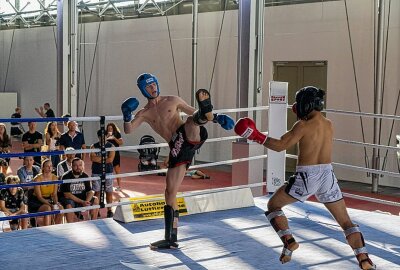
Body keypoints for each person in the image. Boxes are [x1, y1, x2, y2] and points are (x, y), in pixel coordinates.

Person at [234, 86, 376, 270]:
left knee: (273, 206)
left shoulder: (303, 125)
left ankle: (289, 240)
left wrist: (255, 136)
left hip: (307, 176)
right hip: (328, 176)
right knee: (346, 222)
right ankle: (364, 258)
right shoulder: (329, 124)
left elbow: (280, 146)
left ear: (306, 104)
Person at [121, 73, 234, 249]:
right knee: (169, 193)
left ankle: (207, 112)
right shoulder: (144, 113)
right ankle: (171, 237)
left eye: (154, 84)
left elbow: (191, 110)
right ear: (143, 90)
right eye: (149, 86)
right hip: (177, 148)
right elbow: (128, 130)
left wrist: (217, 118)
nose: (153, 88)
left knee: (191, 121)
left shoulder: (172, 100)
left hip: (189, 135)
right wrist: (126, 114)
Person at [60, 158, 99, 223]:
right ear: (71, 166)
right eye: (75, 165)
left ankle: (94, 222)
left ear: (83, 166)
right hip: (70, 200)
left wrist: (86, 201)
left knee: (96, 199)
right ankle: (70, 226)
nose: (78, 167)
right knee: (69, 204)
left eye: (80, 165)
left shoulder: (85, 176)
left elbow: (90, 191)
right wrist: (82, 202)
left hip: (83, 200)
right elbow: (67, 194)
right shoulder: (66, 176)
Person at [28, 159, 64, 226]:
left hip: (49, 199)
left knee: (60, 208)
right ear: (43, 167)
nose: (50, 168)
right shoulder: (37, 179)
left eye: (51, 166)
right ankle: (47, 229)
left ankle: (54, 227)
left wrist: (56, 204)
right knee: (48, 209)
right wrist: (51, 205)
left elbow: (54, 194)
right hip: (37, 201)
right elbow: (39, 197)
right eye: (47, 166)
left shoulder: (54, 178)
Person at [90, 129, 115, 218]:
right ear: (98, 137)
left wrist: (99, 158)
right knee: (96, 192)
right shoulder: (93, 146)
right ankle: (97, 210)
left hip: (108, 172)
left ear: (106, 136)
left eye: (104, 137)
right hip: (96, 172)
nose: (102, 139)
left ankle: (109, 210)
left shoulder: (111, 146)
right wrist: (104, 157)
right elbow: (92, 158)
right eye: (101, 137)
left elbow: (110, 159)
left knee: (109, 192)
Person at [106, 123, 123, 191]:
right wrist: (107, 137)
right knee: (107, 170)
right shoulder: (105, 134)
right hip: (108, 154)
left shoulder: (117, 134)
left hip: (116, 154)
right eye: (108, 128)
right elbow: (101, 142)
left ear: (114, 129)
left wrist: (114, 138)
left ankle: (119, 186)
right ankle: (108, 185)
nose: (110, 130)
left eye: (111, 128)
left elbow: (121, 143)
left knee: (117, 169)